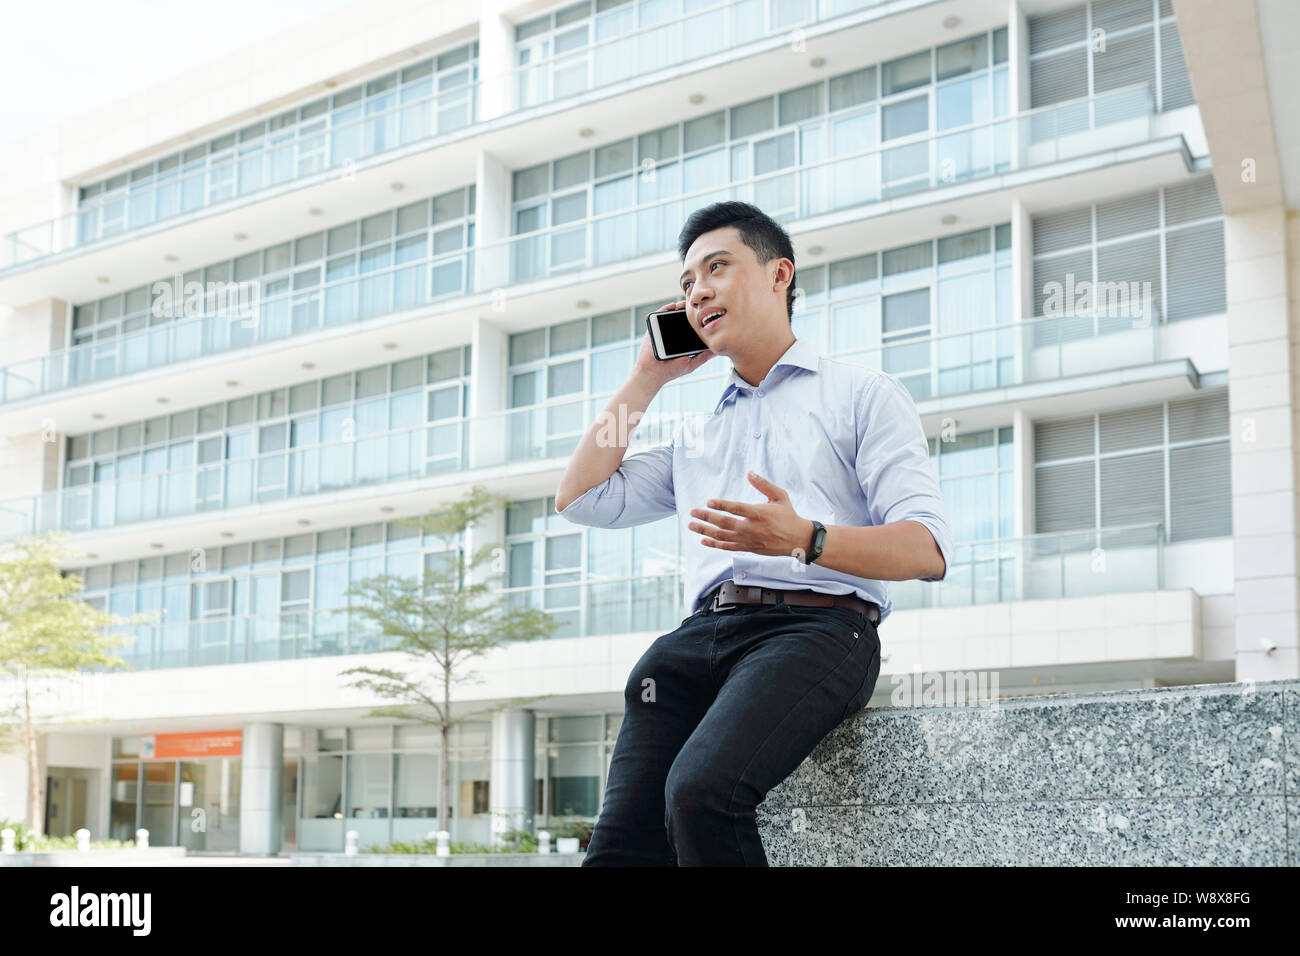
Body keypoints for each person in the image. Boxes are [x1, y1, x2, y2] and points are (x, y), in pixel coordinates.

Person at [553, 201, 954, 866]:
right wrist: (646, 377)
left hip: (816, 632)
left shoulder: (863, 395)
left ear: (778, 275)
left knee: (700, 793)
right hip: (697, 642)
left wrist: (806, 538)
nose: (698, 291)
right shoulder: (697, 435)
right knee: (619, 845)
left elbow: (927, 550)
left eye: (716, 268)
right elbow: (581, 496)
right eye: (686, 284)